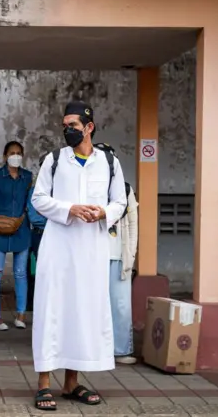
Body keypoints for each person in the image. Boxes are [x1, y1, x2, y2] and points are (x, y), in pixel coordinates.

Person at [31, 101, 127, 411]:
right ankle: (44, 384)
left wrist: (103, 212)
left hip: (91, 251)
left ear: (89, 127)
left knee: (81, 312)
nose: (67, 130)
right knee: (52, 309)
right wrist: (69, 209)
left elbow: (120, 202)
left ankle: (71, 383)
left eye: (73, 125)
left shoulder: (109, 162)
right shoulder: (54, 160)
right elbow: (39, 199)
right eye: (65, 125)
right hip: (58, 248)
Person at [0, 141, 32, 331]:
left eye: (19, 153)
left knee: (21, 273)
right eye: (12, 153)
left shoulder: (28, 177)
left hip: (21, 229)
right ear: (5, 156)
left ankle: (20, 314)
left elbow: (30, 202)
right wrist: (3, 218)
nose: (16, 156)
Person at [109, 183, 139, 365]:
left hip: (119, 257)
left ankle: (121, 350)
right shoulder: (89, 185)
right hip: (93, 256)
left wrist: (131, 254)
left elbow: (133, 223)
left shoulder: (125, 189)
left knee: (121, 305)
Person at [25, 156, 48, 312]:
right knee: (34, 272)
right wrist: (53, 214)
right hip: (38, 235)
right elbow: (34, 217)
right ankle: (32, 304)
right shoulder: (34, 191)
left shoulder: (61, 190)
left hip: (57, 235)